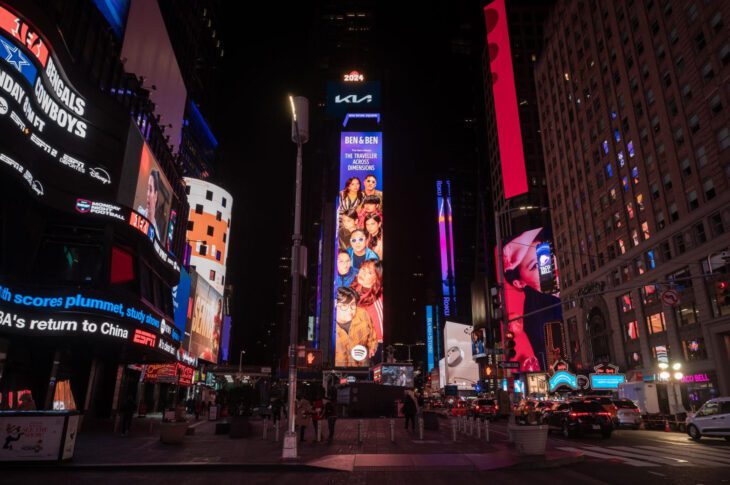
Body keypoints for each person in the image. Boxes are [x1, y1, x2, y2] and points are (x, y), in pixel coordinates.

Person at [502, 228, 562, 372]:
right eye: (535, 265)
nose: (547, 266)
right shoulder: (535, 317)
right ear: (519, 283)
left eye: (546, 255)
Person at [334, 287, 378, 367]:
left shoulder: (363, 314)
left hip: (362, 370)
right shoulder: (328, 326)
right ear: (335, 306)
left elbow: (372, 338)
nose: (350, 309)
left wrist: (372, 348)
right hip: (338, 373)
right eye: (344, 305)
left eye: (352, 305)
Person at [350, 260, 384, 344]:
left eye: (369, 272)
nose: (363, 273)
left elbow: (380, 337)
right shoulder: (354, 287)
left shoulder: (375, 302)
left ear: (377, 278)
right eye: (363, 269)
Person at [137, 169, 162, 238]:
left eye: (150, 190)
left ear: (156, 196)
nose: (147, 194)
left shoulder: (156, 235)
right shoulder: (138, 213)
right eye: (147, 189)